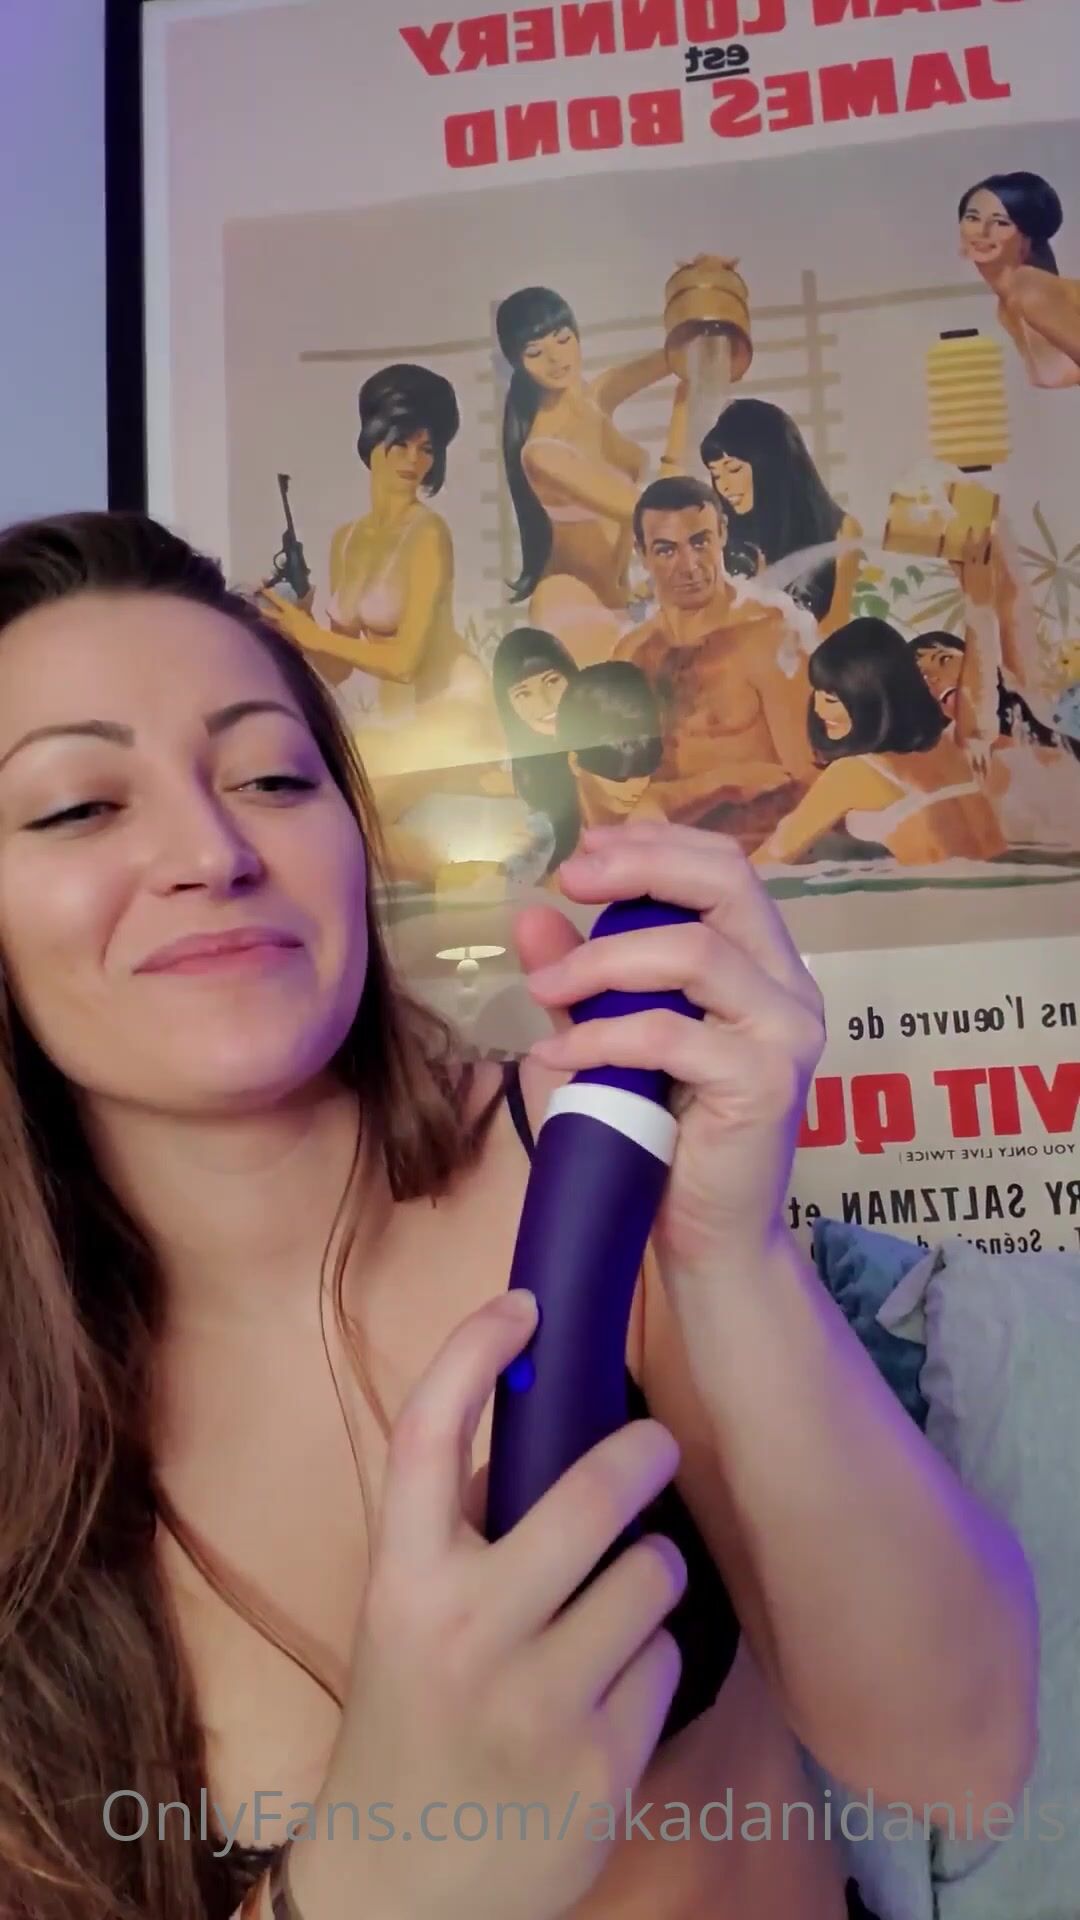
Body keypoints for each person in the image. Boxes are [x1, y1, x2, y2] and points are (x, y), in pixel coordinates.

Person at [0, 509, 1037, 1920]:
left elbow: (958, 1767)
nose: (212, 849)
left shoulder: (586, 1166)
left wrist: (731, 1258)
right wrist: (361, 1889)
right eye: (78, 805)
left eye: (272, 777)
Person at [615, 476, 821, 846]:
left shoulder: (769, 636)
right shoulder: (633, 653)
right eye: (666, 550)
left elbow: (810, 782)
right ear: (641, 553)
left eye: (700, 542)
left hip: (764, 853)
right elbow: (620, 790)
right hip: (668, 852)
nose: (689, 566)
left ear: (723, 533)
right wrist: (717, 785)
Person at [496, 285, 680, 663]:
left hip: (623, 600)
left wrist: (702, 285)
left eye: (563, 339)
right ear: (518, 363)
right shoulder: (542, 452)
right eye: (535, 353)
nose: (555, 359)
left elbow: (679, 356)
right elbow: (644, 509)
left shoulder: (595, 397)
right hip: (571, 606)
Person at [751, 617, 1008, 869]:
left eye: (830, 700)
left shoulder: (853, 773)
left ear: (872, 699)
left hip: (944, 892)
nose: (818, 710)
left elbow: (771, 860)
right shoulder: (949, 748)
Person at [699, 398, 863, 637]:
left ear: (770, 465)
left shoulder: (841, 531)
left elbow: (836, 625)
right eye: (716, 474)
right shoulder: (719, 535)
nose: (723, 486)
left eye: (733, 469)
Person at [958, 171, 1080, 390]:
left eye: (1001, 222)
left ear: (1027, 236)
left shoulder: (1032, 293)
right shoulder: (1007, 306)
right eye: (973, 218)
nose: (982, 231)